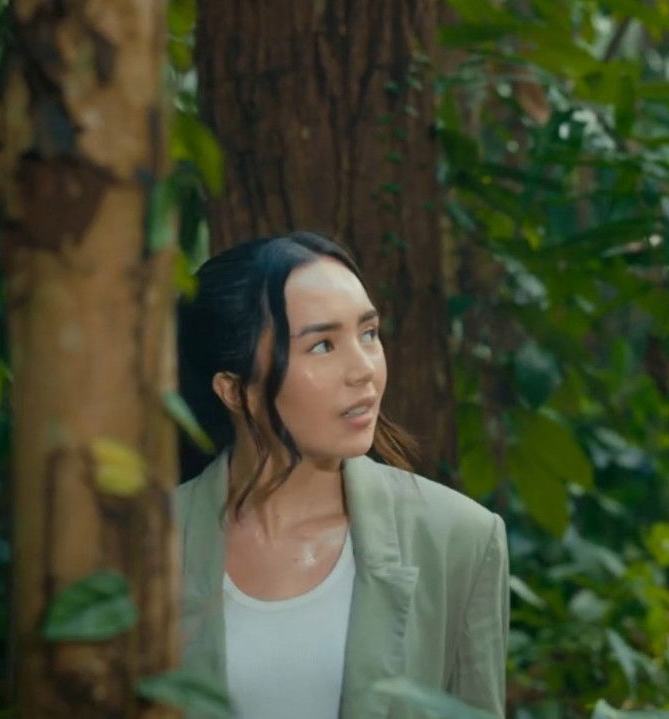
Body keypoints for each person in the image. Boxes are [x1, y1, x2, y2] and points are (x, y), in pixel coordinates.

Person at [174, 232, 508, 718]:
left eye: (369, 333)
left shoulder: (458, 537)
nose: (363, 369)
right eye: (323, 345)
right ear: (236, 390)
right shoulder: (152, 543)